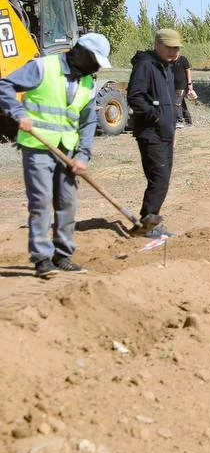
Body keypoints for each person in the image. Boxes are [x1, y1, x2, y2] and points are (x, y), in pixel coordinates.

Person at [0, 33, 112, 277]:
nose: (95, 68)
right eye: (94, 60)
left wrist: (83, 155)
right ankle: (42, 260)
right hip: (38, 148)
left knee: (67, 203)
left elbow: (88, 121)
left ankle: (63, 256)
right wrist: (17, 112)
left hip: (68, 151)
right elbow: (5, 85)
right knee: (41, 203)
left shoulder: (88, 84)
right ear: (80, 52)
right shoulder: (43, 67)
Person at [127, 28, 183, 239]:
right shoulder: (145, 65)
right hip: (151, 133)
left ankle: (150, 221)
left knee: (163, 179)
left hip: (166, 133)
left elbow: (169, 102)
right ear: (157, 45)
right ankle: (148, 223)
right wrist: (157, 119)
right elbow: (135, 97)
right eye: (169, 48)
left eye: (176, 48)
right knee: (159, 179)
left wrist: (172, 128)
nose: (173, 52)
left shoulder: (167, 67)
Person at [172, 50, 195, 127]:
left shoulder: (183, 59)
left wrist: (189, 83)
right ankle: (189, 121)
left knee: (177, 102)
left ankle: (179, 121)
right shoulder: (170, 60)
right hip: (173, 86)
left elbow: (188, 71)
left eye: (176, 50)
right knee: (181, 104)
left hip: (182, 85)